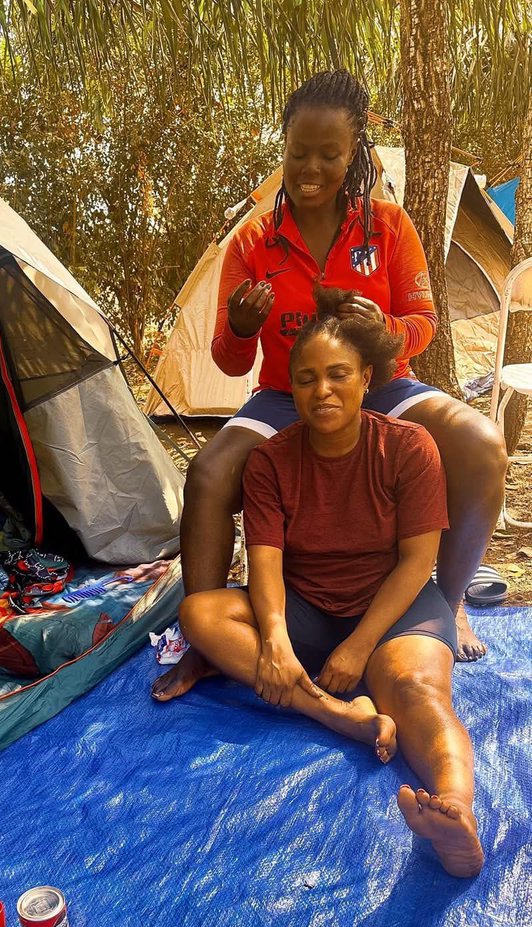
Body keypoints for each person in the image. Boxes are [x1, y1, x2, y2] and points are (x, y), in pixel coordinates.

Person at [153, 69, 506, 701]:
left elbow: (423, 322)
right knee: (207, 474)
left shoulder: (389, 228)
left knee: (481, 444)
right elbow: (232, 364)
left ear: (356, 156)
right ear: (282, 151)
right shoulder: (255, 242)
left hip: (382, 386)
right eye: (298, 153)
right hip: (286, 395)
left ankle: (445, 603)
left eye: (329, 154)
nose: (310, 167)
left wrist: (386, 331)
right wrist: (239, 328)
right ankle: (200, 643)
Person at [179, 286, 484, 878]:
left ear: (366, 378)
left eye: (338, 374)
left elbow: (418, 562)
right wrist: (273, 636)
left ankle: (455, 813)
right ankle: (331, 712)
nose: (322, 391)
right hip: (306, 606)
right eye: (306, 378)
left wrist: (359, 646)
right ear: (289, 389)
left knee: (418, 692)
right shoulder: (271, 460)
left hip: (394, 605)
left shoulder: (408, 446)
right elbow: (264, 559)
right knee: (200, 614)